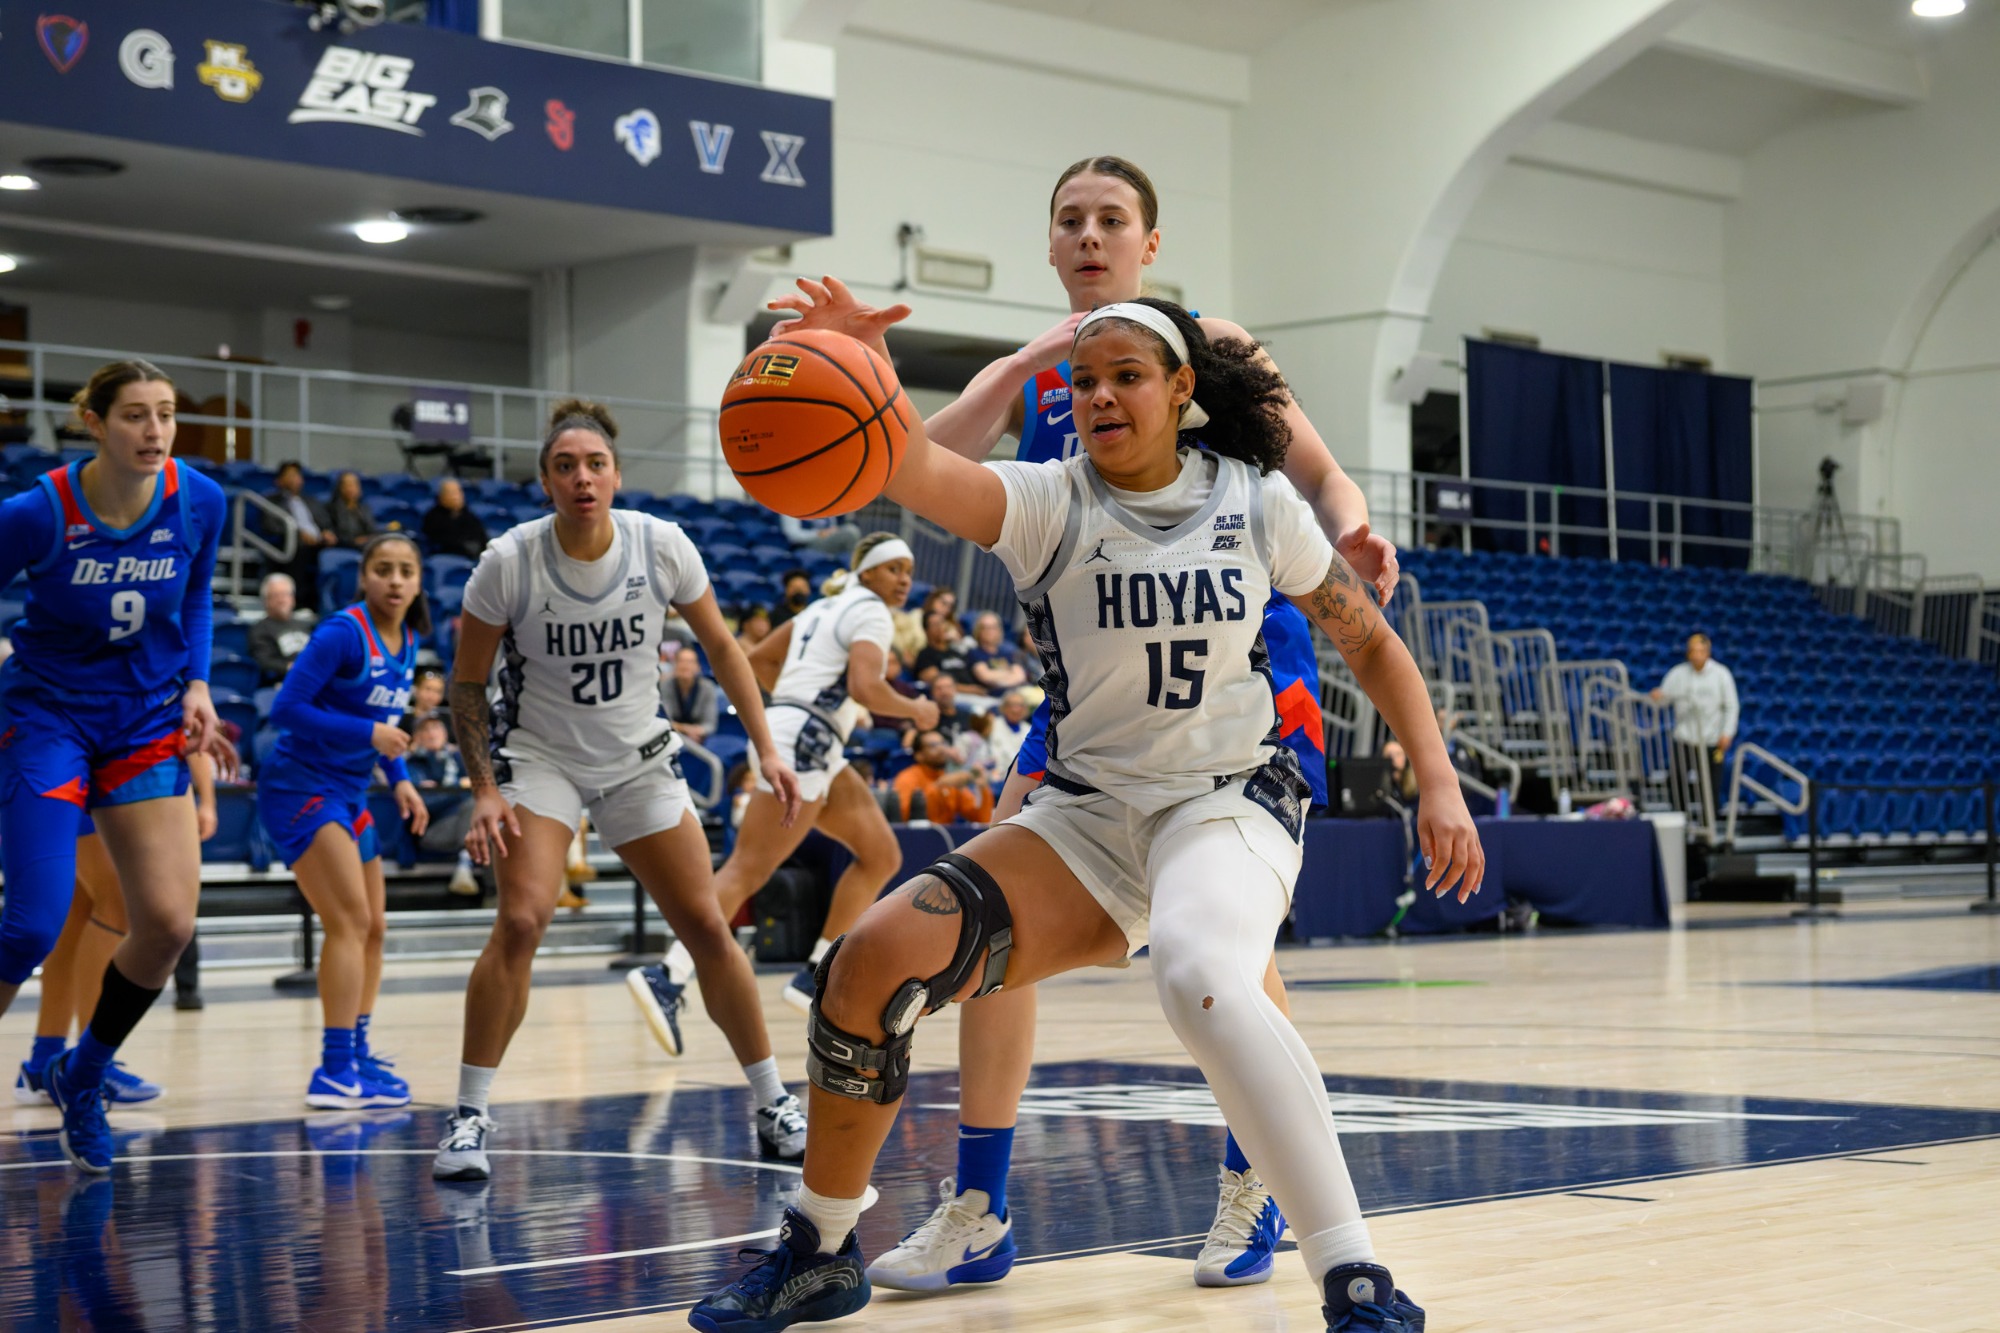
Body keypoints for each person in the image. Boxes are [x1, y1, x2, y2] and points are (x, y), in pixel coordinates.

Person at [691, 298, 1477, 1333]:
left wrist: (1436, 778)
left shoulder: (1253, 503)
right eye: (1084, 379)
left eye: (1127, 375)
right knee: (864, 966)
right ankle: (819, 1248)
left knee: (1195, 969)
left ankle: (1354, 1277)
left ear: (1179, 389)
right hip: (1084, 815)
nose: (1099, 393)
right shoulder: (1041, 501)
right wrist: (861, 370)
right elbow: (904, 469)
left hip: (1227, 800)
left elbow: (1368, 641)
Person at [768, 156, 1402, 1295]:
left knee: (1224, 944)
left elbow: (1316, 469)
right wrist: (1012, 364)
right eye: (1072, 221)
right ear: (1051, 247)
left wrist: (1351, 531)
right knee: (984, 929)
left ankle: (1255, 1185)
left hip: (1240, 651)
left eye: (1113, 218)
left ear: (1150, 242)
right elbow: (922, 461)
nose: (1092, 233)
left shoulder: (1211, 344)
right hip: (1095, 668)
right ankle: (980, 1204)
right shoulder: (1060, 368)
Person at [435, 398, 808, 1181]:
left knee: (707, 923)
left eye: (595, 463)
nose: (582, 477)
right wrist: (484, 789)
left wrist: (765, 745)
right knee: (522, 917)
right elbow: (467, 687)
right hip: (542, 758)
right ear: (544, 481)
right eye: (565, 465)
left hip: (638, 757)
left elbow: (725, 652)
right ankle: (469, 1115)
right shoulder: (508, 560)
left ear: (616, 475)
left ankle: (773, 1101)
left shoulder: (659, 544)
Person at [0, 359, 233, 1175]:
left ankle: (83, 1072)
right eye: (135, 415)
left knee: (167, 925)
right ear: (93, 422)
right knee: (32, 921)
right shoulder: (37, 511)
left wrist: (199, 681)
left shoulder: (200, 498)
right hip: (49, 716)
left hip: (143, 718)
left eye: (165, 414)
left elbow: (198, 592)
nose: (155, 430)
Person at [632, 533, 938, 1028]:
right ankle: (668, 973)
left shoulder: (821, 608)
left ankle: (815, 972)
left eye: (908, 569)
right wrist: (915, 710)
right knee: (748, 868)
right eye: (893, 568)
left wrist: (804, 700)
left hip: (803, 736)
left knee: (881, 854)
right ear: (866, 572)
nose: (904, 578)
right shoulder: (871, 613)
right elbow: (866, 686)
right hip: (803, 743)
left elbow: (757, 662)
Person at [258, 532, 430, 1109]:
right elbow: (285, 709)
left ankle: (355, 1054)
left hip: (351, 792)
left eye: (406, 570)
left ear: (419, 580)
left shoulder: (407, 639)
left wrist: (400, 777)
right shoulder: (342, 631)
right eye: (384, 569)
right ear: (364, 577)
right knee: (350, 922)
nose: (396, 580)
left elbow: (383, 722)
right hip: (301, 788)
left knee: (375, 927)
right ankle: (332, 1069)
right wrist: (368, 735)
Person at [1649, 632, 1738, 813]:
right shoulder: (1677, 673)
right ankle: (1680, 820)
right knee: (1677, 781)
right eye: (1692, 651)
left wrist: (1727, 733)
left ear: (1708, 652)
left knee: (1711, 786)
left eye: (1700, 651)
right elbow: (1664, 699)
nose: (1696, 655)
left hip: (1711, 740)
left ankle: (1709, 826)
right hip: (1684, 739)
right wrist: (1658, 697)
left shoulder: (1721, 674)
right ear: (1688, 653)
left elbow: (1731, 706)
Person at [265, 460, 338, 607]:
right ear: (279, 480)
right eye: (290, 475)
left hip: (319, 544)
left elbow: (325, 522)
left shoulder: (311, 501)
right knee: (300, 550)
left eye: (297, 475)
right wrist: (299, 534)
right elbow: (271, 526)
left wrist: (327, 533)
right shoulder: (271, 501)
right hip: (291, 545)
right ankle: (299, 603)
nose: (295, 479)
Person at [891, 727, 995, 824]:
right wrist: (939, 785)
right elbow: (904, 817)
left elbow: (982, 819)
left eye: (942, 743)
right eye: (933, 745)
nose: (941, 749)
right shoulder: (907, 778)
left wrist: (983, 788)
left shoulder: (950, 779)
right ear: (919, 755)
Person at [248, 572, 317, 683]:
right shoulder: (260, 629)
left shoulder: (305, 624)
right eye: (276, 595)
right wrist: (292, 668)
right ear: (266, 601)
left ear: (293, 598)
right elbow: (264, 662)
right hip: (285, 681)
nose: (282, 600)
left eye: (286, 594)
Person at [661, 646, 721, 745]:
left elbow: (710, 724)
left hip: (699, 738)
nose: (685, 666)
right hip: (672, 736)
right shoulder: (665, 686)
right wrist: (686, 730)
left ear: (698, 667)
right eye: (681, 661)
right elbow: (665, 720)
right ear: (675, 665)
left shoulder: (707, 687)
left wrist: (696, 731)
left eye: (690, 662)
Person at [421, 477, 488, 561]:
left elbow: (482, 539)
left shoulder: (471, 517)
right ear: (441, 497)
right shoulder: (432, 517)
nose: (456, 497)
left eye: (458, 492)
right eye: (451, 493)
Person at [967, 611, 1029, 694]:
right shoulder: (974, 653)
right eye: (985, 627)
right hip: (990, 697)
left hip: (1013, 694)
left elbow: (1020, 676)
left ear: (999, 630)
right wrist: (1009, 673)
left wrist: (999, 680)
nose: (990, 631)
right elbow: (986, 677)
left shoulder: (1007, 653)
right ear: (978, 631)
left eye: (993, 627)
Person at [913, 611, 976, 689]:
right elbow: (939, 685)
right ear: (926, 631)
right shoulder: (925, 655)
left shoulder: (957, 651)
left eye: (941, 622)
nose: (940, 627)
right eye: (935, 625)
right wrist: (972, 690)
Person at [986, 689, 1034, 777]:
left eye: (1020, 706)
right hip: (995, 775)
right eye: (1011, 705)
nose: (1015, 710)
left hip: (1022, 776)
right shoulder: (991, 725)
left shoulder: (1030, 730)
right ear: (1004, 707)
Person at [329, 470, 379, 549]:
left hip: (368, 544)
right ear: (340, 488)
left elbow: (372, 530)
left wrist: (369, 538)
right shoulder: (331, 509)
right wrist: (353, 541)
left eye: (355, 485)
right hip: (346, 547)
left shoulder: (364, 508)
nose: (351, 488)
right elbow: (335, 535)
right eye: (347, 485)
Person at [780, 513, 863, 557]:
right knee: (851, 532)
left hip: (826, 540)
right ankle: (856, 568)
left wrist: (832, 532)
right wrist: (817, 534)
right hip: (806, 545)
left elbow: (832, 527)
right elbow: (792, 534)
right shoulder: (791, 505)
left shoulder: (825, 502)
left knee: (850, 530)